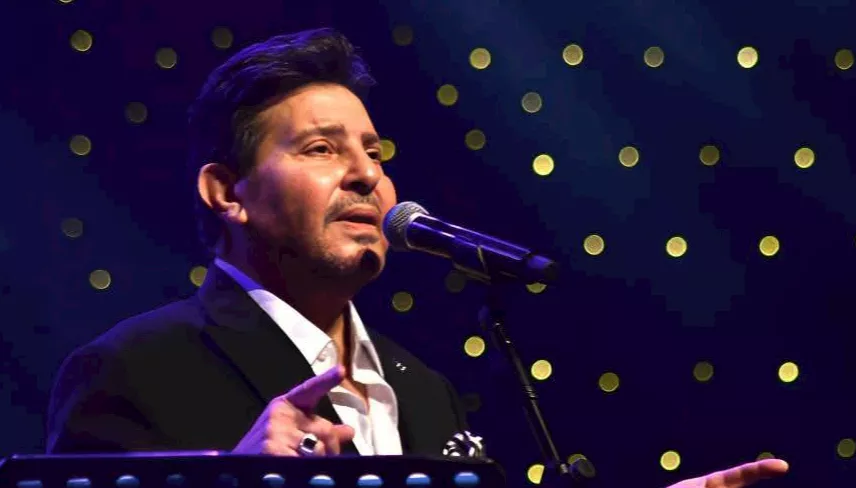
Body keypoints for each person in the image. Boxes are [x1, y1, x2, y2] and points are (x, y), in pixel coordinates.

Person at [45, 28, 789, 487]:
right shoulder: (133, 368)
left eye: (374, 152)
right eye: (321, 149)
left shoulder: (424, 390)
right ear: (226, 192)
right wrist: (237, 481)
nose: (366, 175)